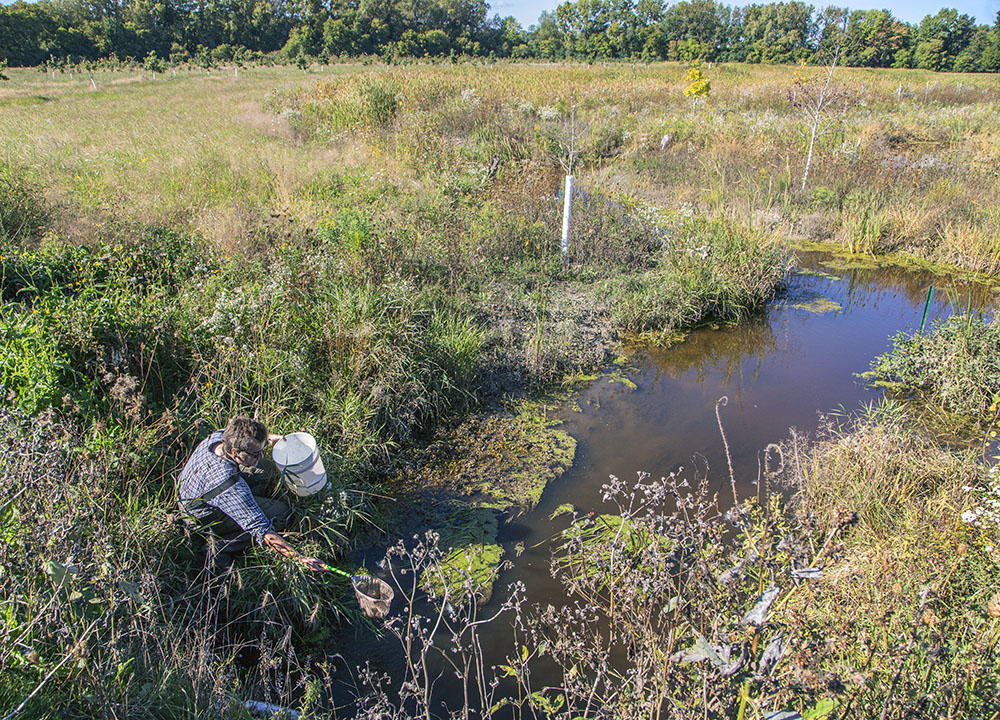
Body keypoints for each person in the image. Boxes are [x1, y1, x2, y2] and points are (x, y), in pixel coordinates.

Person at [177, 415, 325, 573]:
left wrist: (268, 439)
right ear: (235, 452)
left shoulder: (218, 437)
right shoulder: (229, 486)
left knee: (264, 467)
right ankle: (220, 546)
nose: (260, 455)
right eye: (255, 453)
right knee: (282, 513)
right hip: (202, 515)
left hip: (198, 490)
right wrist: (299, 558)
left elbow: (250, 449)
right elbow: (261, 528)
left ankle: (256, 499)